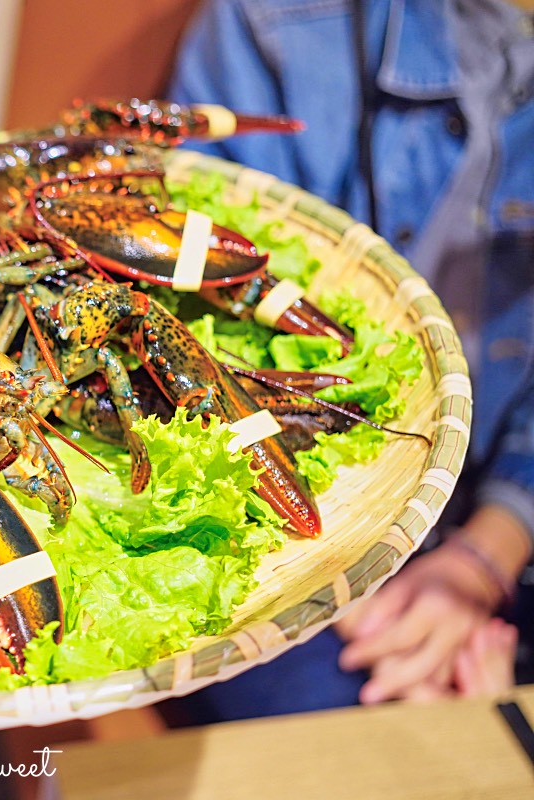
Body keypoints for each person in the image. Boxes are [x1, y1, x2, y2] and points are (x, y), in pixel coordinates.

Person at [159, 0, 534, 721]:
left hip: (495, 531)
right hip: (295, 525)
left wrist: (483, 558)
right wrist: (348, 574)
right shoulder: (276, 22)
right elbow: (189, 337)